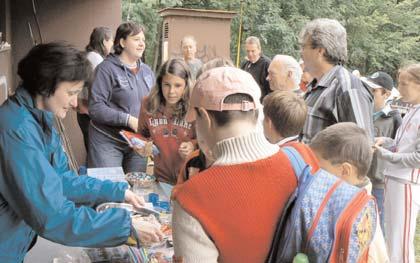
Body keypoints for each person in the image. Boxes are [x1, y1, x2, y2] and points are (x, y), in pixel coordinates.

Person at [0, 43, 163, 262]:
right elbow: (51, 214)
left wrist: (116, 192)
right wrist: (125, 226)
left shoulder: (41, 119)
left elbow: (62, 180)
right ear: (45, 85)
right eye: (71, 93)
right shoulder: (16, 130)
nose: (76, 103)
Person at [171, 67, 316, 262]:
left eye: (195, 119)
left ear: (204, 118)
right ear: (257, 113)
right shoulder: (302, 158)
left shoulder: (192, 199)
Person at [310, 122, 389, 263]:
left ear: (345, 170)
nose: (314, 172)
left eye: (319, 167)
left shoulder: (357, 217)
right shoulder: (360, 202)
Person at [88, 22, 154, 173]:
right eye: (136, 39)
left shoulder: (147, 71)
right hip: (107, 141)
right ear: (123, 42)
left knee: (137, 190)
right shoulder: (106, 69)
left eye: (143, 40)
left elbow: (155, 104)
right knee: (109, 190)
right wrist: (128, 119)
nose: (141, 44)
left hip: (137, 141)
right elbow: (95, 108)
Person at [299, 18, 374, 143]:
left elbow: (363, 147)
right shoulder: (315, 86)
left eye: (304, 47)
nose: (301, 53)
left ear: (320, 51)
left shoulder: (348, 88)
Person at [374, 63, 420, 263]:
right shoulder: (412, 110)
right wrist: (387, 142)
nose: (399, 88)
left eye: (404, 84)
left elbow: (417, 157)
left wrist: (386, 155)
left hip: (406, 183)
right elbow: (404, 145)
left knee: (400, 243)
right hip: (393, 179)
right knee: (392, 239)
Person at [135, 58, 196, 185]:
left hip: (189, 180)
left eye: (178, 85)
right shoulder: (148, 104)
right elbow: (141, 137)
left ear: (186, 85)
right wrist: (142, 146)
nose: (171, 92)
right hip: (160, 179)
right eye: (166, 85)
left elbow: (208, 144)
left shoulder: (195, 107)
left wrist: (193, 146)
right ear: (159, 83)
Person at [362, 71, 402, 233]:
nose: (369, 94)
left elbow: (398, 149)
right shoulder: (362, 112)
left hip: (380, 182)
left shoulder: (394, 118)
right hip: (360, 178)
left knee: (378, 227)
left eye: (374, 90)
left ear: (386, 93)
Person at [77, 26, 114, 155]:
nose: (112, 45)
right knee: (95, 154)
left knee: (93, 152)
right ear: (104, 41)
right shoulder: (96, 59)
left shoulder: (90, 56)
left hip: (86, 112)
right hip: (88, 113)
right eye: (111, 41)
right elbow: (99, 87)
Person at [241, 36, 271, 101]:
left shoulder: (267, 64)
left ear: (259, 50)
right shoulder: (245, 64)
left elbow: (271, 88)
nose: (250, 54)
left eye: (253, 51)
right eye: (248, 51)